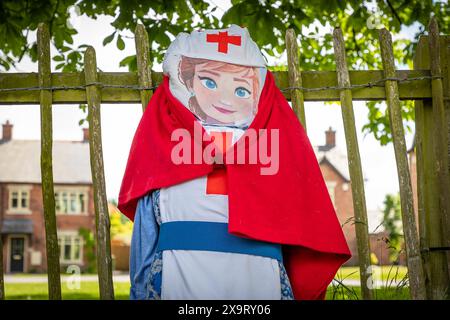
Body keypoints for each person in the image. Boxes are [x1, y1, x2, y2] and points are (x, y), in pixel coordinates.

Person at [118, 25, 351, 300]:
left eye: (240, 90)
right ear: (188, 81)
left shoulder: (161, 142)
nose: (224, 99)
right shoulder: (277, 142)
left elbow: (144, 247)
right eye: (210, 82)